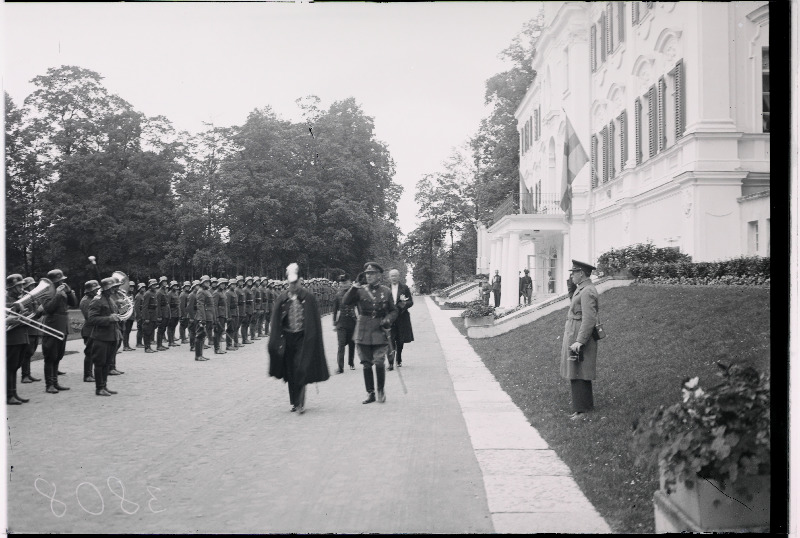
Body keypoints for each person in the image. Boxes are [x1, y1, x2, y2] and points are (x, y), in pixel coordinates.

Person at [268, 263, 329, 414]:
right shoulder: (282, 298)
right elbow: (276, 321)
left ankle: (300, 402)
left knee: (300, 367)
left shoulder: (308, 297)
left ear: (300, 281)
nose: (293, 285)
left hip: (303, 337)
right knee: (290, 370)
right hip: (288, 338)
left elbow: (314, 321)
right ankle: (294, 402)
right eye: (290, 282)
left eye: (295, 282)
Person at [341, 262, 398, 404]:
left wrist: (387, 319)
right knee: (366, 364)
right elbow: (346, 301)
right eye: (367, 273)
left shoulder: (386, 291)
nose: (369, 276)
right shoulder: (359, 290)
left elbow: (394, 310)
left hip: (379, 330)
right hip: (363, 331)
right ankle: (370, 393)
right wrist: (354, 286)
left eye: (372, 274)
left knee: (379, 362)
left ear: (379, 275)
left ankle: (380, 390)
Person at [560, 260, 600, 420]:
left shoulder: (587, 291)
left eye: (573, 273)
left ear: (581, 274)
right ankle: (586, 406)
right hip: (574, 331)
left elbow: (589, 319)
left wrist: (580, 341)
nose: (571, 275)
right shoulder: (582, 289)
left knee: (577, 371)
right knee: (578, 369)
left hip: (578, 335)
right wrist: (571, 284)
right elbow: (573, 301)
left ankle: (581, 410)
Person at [41, 268, 78, 393]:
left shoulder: (62, 292)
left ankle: (55, 382)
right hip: (52, 326)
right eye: (60, 280)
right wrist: (57, 294)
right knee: (50, 356)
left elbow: (73, 303)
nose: (62, 282)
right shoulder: (46, 292)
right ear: (54, 282)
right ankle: (49, 384)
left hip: (62, 327)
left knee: (58, 356)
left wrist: (69, 293)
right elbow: (49, 309)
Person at [87, 277, 123, 396]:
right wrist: (109, 319)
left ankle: (104, 386)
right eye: (112, 288)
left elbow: (113, 313)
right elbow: (91, 319)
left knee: (107, 363)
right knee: (100, 363)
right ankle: (99, 388)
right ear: (107, 288)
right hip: (101, 337)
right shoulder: (97, 300)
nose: (114, 290)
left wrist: (118, 314)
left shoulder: (110, 299)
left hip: (112, 335)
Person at [6, 274, 30, 404]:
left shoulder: (19, 299)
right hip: (12, 339)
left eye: (22, 285)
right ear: (11, 287)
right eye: (19, 285)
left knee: (15, 366)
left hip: (22, 336)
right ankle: (9, 395)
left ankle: (14, 392)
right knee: (10, 366)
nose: (22, 288)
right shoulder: (5, 298)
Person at [387, 268, 414, 370]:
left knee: (400, 339)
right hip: (391, 318)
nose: (394, 278)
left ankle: (399, 358)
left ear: (399, 276)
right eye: (392, 276)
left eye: (395, 275)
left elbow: (411, 302)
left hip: (402, 317)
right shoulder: (386, 289)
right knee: (391, 338)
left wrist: (404, 303)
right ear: (389, 277)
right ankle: (391, 360)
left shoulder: (405, 288)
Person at [20, 277, 44, 384]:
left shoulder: (34, 298)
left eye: (34, 285)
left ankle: (28, 374)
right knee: (27, 352)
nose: (34, 287)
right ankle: (25, 375)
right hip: (27, 329)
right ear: (27, 286)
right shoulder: (24, 299)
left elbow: (38, 315)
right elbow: (25, 314)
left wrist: (40, 309)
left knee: (31, 352)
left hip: (35, 328)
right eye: (32, 285)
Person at [332, 274, 357, 374]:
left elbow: (358, 306)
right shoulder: (338, 295)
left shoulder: (354, 294)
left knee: (352, 343)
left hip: (352, 321)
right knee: (341, 344)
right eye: (342, 283)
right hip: (341, 322)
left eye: (345, 283)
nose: (344, 285)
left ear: (349, 282)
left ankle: (351, 362)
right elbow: (335, 309)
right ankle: (340, 367)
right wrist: (334, 322)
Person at [80, 280, 101, 383]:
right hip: (89, 330)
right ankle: (87, 375)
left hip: (94, 329)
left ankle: (91, 373)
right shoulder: (85, 301)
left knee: (94, 352)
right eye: (95, 289)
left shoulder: (93, 299)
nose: (97, 291)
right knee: (89, 353)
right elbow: (89, 317)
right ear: (89, 291)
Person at [194, 275, 214, 361]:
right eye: (206, 282)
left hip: (208, 315)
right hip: (202, 316)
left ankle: (201, 355)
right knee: (199, 335)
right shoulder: (201, 291)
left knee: (203, 336)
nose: (208, 283)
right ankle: (198, 356)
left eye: (208, 282)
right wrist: (202, 319)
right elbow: (200, 306)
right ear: (202, 283)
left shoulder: (207, 291)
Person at [141, 279, 159, 353]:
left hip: (154, 314)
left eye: (155, 285)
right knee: (147, 332)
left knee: (151, 331)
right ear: (150, 286)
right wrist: (146, 317)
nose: (154, 286)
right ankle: (147, 347)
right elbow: (144, 307)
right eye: (153, 285)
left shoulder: (154, 293)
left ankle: (149, 346)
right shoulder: (147, 294)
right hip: (149, 314)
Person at [213, 278, 229, 355]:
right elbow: (215, 306)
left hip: (223, 314)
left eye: (224, 284)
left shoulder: (223, 292)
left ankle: (219, 348)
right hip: (219, 315)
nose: (223, 285)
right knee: (217, 332)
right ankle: (217, 348)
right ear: (218, 285)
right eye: (221, 284)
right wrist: (216, 317)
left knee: (220, 332)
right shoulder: (216, 293)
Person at [155, 276, 170, 351]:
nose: (165, 283)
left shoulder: (164, 291)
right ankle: (159, 345)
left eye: (165, 281)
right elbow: (158, 305)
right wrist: (159, 315)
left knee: (163, 329)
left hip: (166, 313)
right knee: (160, 329)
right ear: (160, 283)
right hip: (162, 313)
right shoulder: (159, 292)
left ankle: (160, 344)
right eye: (163, 282)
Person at [226, 277, 240, 351]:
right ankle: (228, 345)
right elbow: (227, 305)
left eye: (235, 284)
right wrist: (228, 315)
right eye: (232, 284)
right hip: (231, 313)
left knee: (235, 328)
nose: (234, 286)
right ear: (229, 285)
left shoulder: (234, 292)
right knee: (230, 329)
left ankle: (235, 343)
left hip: (235, 313)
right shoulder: (228, 293)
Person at [167, 280, 181, 347]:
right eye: (173, 286)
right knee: (170, 327)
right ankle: (170, 341)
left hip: (176, 312)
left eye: (176, 285)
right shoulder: (169, 294)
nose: (175, 287)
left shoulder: (176, 293)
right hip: (172, 312)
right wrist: (169, 314)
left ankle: (173, 340)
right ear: (171, 286)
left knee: (174, 327)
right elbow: (168, 304)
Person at [134, 282, 146, 348]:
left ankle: (140, 342)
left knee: (142, 329)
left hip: (143, 314)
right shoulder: (138, 296)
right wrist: (139, 316)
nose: (143, 289)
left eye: (144, 287)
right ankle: (138, 343)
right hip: (140, 315)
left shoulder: (143, 295)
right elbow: (137, 307)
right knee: (140, 329)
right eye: (142, 288)